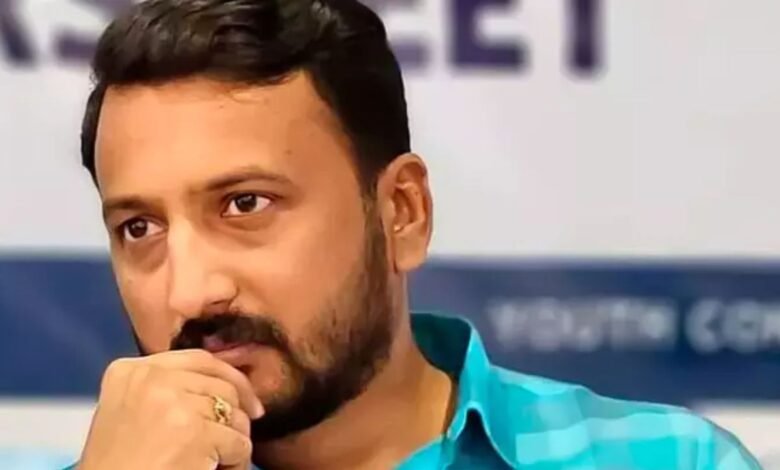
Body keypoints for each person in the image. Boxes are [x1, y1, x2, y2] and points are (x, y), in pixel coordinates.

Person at [66, 0, 760, 469]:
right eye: (139, 227)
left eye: (246, 204)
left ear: (403, 212)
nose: (190, 291)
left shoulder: (669, 460)